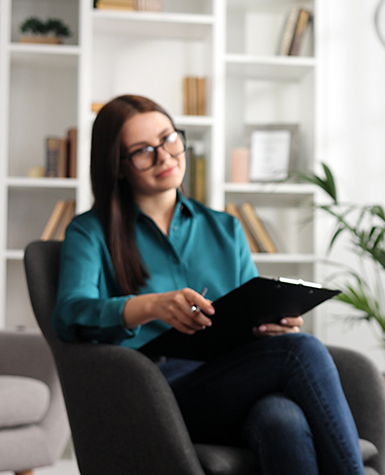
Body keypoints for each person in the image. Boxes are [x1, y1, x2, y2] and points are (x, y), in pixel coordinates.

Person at [52, 94, 365, 475]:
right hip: (153, 393)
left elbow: (251, 312)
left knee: (282, 418)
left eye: (169, 139)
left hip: (228, 382)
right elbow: (70, 314)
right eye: (143, 151)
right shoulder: (89, 231)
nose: (165, 157)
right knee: (302, 351)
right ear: (117, 166)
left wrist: (270, 327)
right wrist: (150, 305)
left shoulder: (225, 227)